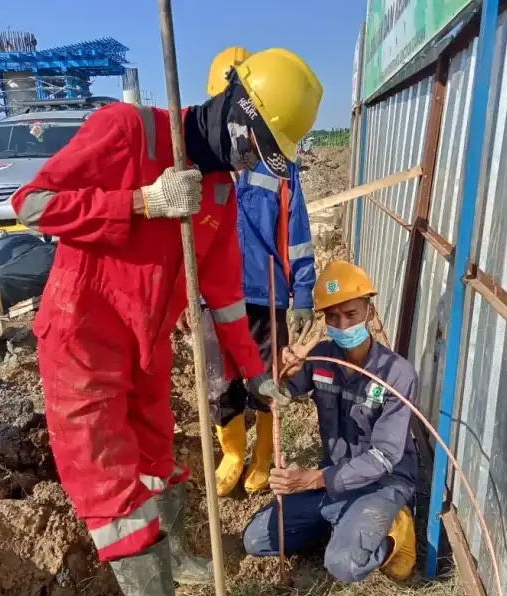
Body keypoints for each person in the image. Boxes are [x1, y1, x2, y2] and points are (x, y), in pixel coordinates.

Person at [11, 48, 322, 596]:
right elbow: (33, 204)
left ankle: (175, 558)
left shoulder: (221, 190)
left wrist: (256, 374)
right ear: (236, 108)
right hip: (84, 342)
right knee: (112, 489)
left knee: (158, 461)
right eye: (256, 146)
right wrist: (140, 202)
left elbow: (225, 297)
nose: (250, 162)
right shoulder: (129, 132)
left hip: (148, 346)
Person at [243, 260, 418, 583]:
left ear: (370, 311)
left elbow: (385, 455)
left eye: (351, 314)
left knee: (344, 566)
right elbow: (274, 399)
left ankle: (394, 526)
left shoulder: (397, 373)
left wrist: (312, 480)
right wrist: (279, 375)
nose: (342, 324)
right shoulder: (321, 358)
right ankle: (343, 523)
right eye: (333, 317)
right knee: (256, 539)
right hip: (333, 479)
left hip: (381, 483)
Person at [199, 47, 316, 497]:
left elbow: (297, 232)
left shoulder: (282, 166)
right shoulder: (202, 158)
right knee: (220, 379)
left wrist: (303, 292)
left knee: (268, 377)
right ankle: (232, 452)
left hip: (267, 294)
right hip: (216, 294)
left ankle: (264, 455)